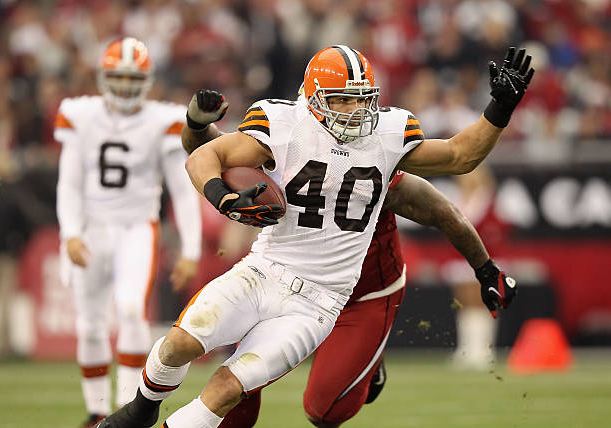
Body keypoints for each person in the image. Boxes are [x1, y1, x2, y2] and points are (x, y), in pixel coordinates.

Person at [97, 44, 532, 428]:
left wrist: (499, 109)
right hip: (265, 270)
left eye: (363, 100)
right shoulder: (284, 125)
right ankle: (141, 408)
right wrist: (223, 198)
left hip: (320, 301)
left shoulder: (386, 138)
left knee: (234, 390)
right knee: (177, 344)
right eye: (342, 100)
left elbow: (459, 157)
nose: (355, 110)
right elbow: (206, 153)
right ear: (315, 98)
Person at [180, 89, 514, 427]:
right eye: (341, 101)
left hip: (362, 295)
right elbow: (217, 154)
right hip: (286, 282)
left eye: (358, 101)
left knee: (324, 411)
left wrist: (485, 269)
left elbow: (448, 201)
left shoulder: (379, 162)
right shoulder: (287, 143)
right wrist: (196, 124)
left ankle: (366, 359)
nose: (350, 115)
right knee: (235, 397)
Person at [55, 37, 202, 428]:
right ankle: (96, 409)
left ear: (147, 79)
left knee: (132, 309)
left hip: (138, 226)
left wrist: (190, 248)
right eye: (117, 77)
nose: (123, 86)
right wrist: (69, 232)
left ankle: (125, 408)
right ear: (104, 77)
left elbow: (182, 189)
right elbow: (68, 183)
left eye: (131, 78)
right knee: (89, 322)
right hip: (91, 227)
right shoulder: (80, 114)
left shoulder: (161, 120)